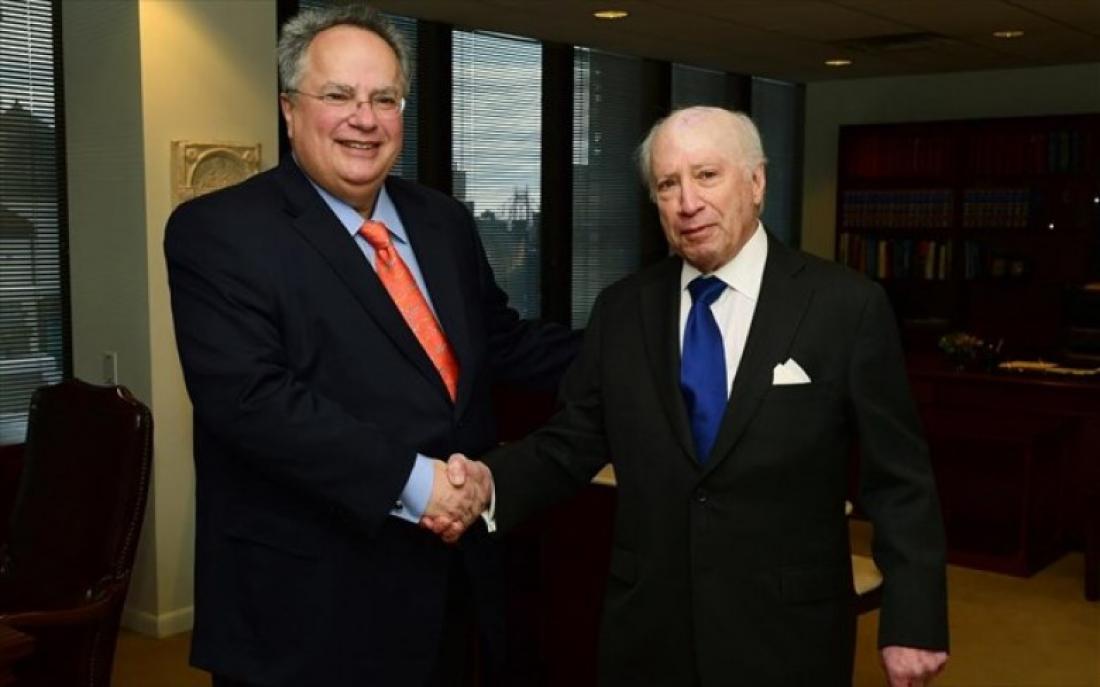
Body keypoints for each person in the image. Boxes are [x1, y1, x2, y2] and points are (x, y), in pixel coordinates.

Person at [429, 106, 950, 686]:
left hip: (787, 635)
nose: (687, 203)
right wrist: (486, 484)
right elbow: (570, 443)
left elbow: (899, 478)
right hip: (650, 633)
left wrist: (915, 618)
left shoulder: (845, 306)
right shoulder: (622, 310)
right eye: (668, 184)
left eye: (707, 176)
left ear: (756, 182)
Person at [164, 5, 576, 686]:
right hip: (307, 611)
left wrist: (647, 346)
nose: (365, 118)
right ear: (289, 109)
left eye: (385, 98)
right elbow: (251, 400)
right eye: (338, 95)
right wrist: (419, 484)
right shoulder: (220, 231)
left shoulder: (442, 221)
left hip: (451, 588)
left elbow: (502, 343)